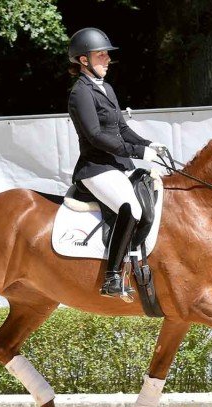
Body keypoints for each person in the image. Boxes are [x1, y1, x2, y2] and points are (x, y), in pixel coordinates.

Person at [67, 27, 166, 300]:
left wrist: (147, 145)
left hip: (117, 165)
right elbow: (96, 136)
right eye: (101, 56)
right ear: (83, 60)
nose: (107, 60)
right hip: (95, 167)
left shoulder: (106, 88)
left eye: (107, 56)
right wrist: (137, 152)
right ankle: (111, 277)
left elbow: (121, 128)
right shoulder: (80, 93)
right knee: (131, 208)